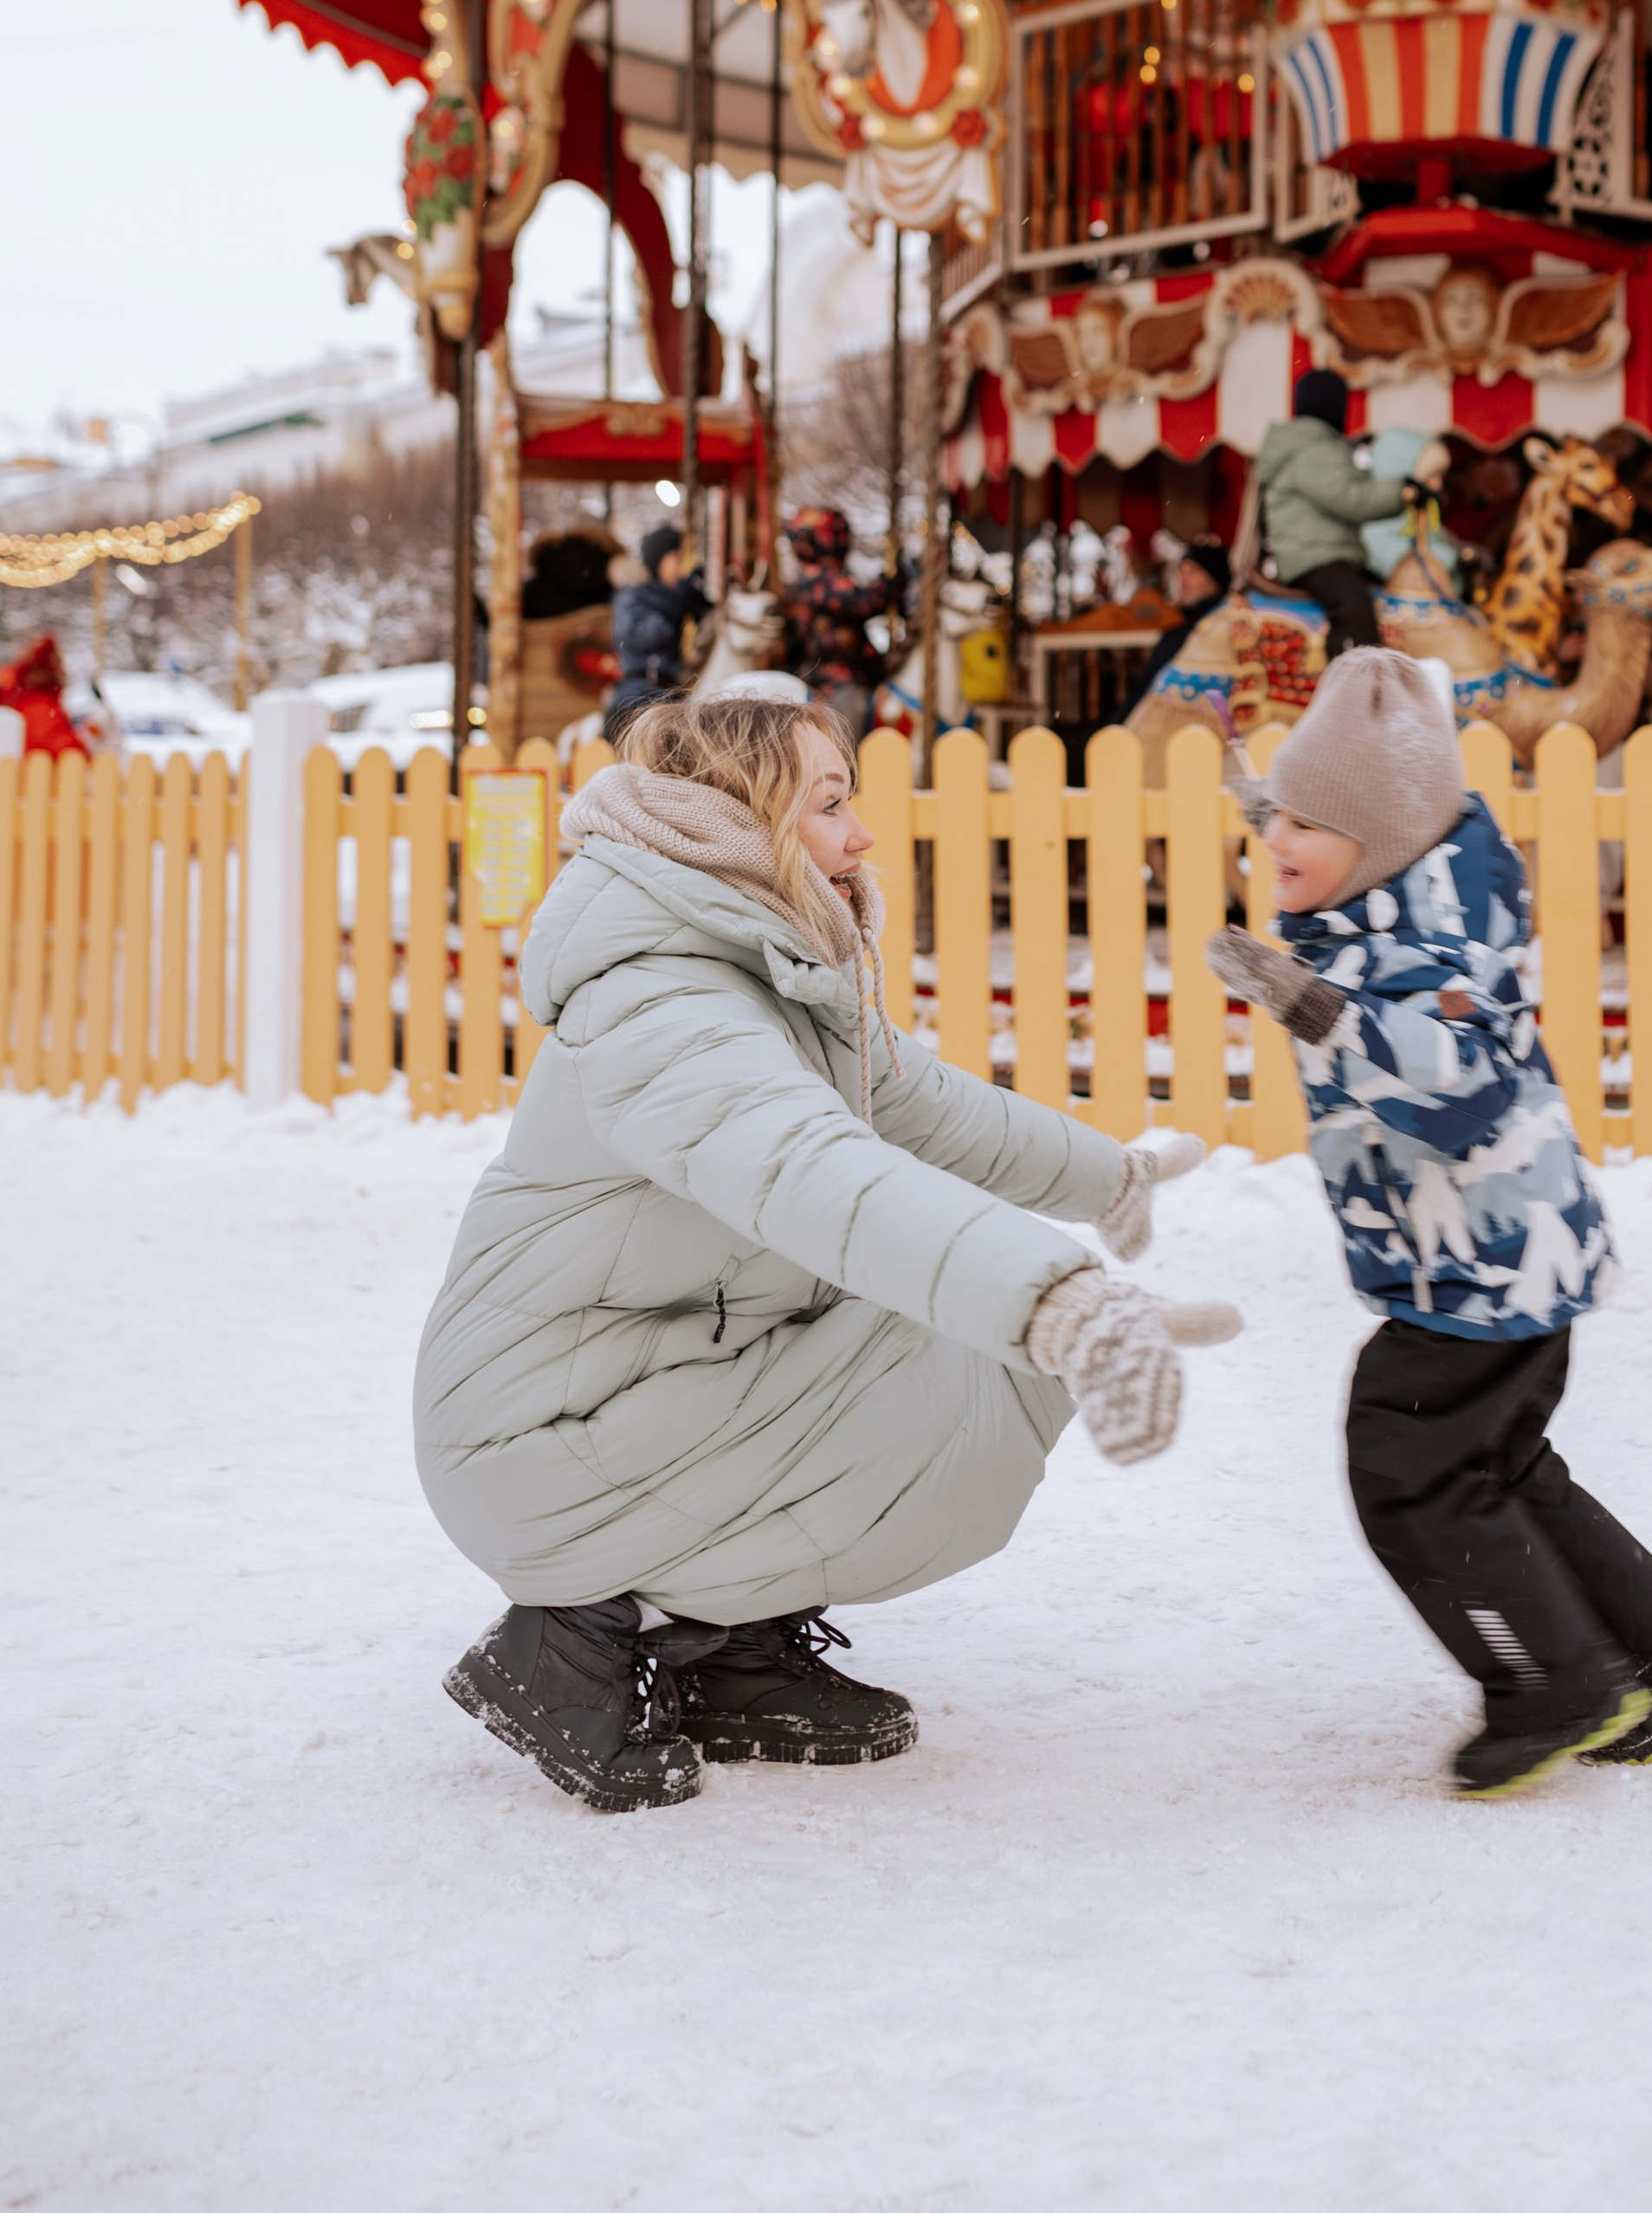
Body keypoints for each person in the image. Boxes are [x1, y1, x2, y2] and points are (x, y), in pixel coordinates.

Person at [416, 695, 1236, 1811]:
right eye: (832, 803)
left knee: (971, 1349)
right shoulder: (663, 999)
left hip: (642, 1390)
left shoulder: (752, 967)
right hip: (537, 1442)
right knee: (984, 1360)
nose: (860, 836)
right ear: (740, 821)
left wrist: (1109, 1181)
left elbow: (917, 1107)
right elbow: (810, 1170)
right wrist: (1058, 1304)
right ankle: (570, 1641)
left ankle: (723, 1642)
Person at [1204, 649, 1652, 1798]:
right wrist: (1259, 784)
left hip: (1481, 1278)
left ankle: (1552, 1683)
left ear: (1378, 844)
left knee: (1407, 1464)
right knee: (1502, 1466)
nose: (1276, 842)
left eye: (1302, 825)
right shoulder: (1400, 893)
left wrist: (1304, 1001)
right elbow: (1347, 824)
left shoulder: (1434, 958)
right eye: (1277, 818)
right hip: (1489, 1271)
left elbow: (1455, 1084)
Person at [1254, 369, 1447, 660]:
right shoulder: (1313, 450)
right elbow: (1352, 499)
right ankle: (1353, 686)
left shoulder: (1310, 446)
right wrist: (1405, 490)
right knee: (1354, 609)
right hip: (1314, 556)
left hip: (1325, 552)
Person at [782, 504, 898, 742]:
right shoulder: (821, 580)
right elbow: (863, 603)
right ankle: (847, 766)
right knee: (847, 714)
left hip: (854, 670)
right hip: (837, 675)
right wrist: (892, 585)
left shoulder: (817, 577)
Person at [604, 523, 707, 740]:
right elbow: (647, 636)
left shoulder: (668, 596)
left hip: (670, 692)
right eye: (676, 560)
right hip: (637, 692)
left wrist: (698, 603)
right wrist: (676, 602)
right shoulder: (632, 597)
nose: (679, 570)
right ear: (658, 559)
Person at [1130, 534, 1235, 701]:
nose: (1183, 580)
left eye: (1193, 571)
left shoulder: (1228, 626)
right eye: (1181, 572)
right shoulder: (1177, 629)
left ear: (1216, 580)